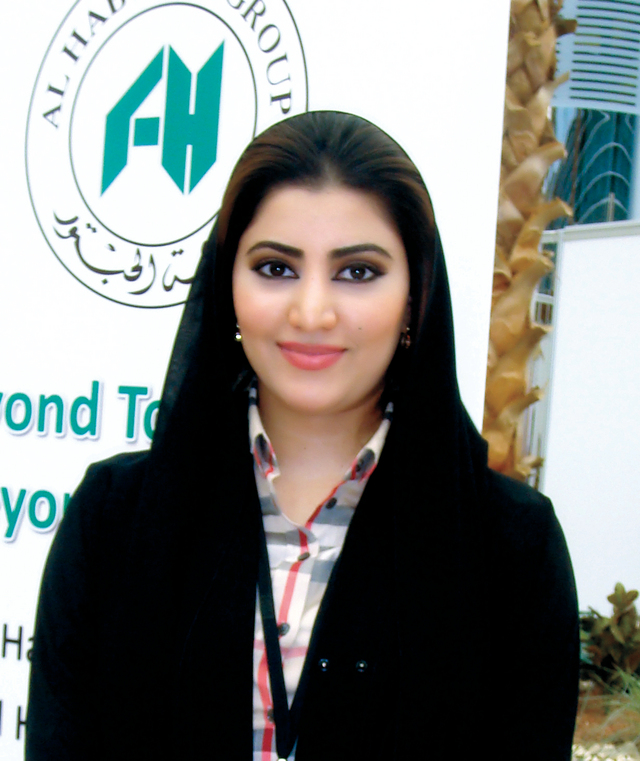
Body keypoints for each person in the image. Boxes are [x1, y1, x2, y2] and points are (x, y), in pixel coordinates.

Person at [26, 111, 579, 760]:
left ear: (415, 297)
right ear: (227, 285)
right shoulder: (114, 520)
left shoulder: (510, 547)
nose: (312, 311)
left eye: (358, 272)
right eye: (276, 268)